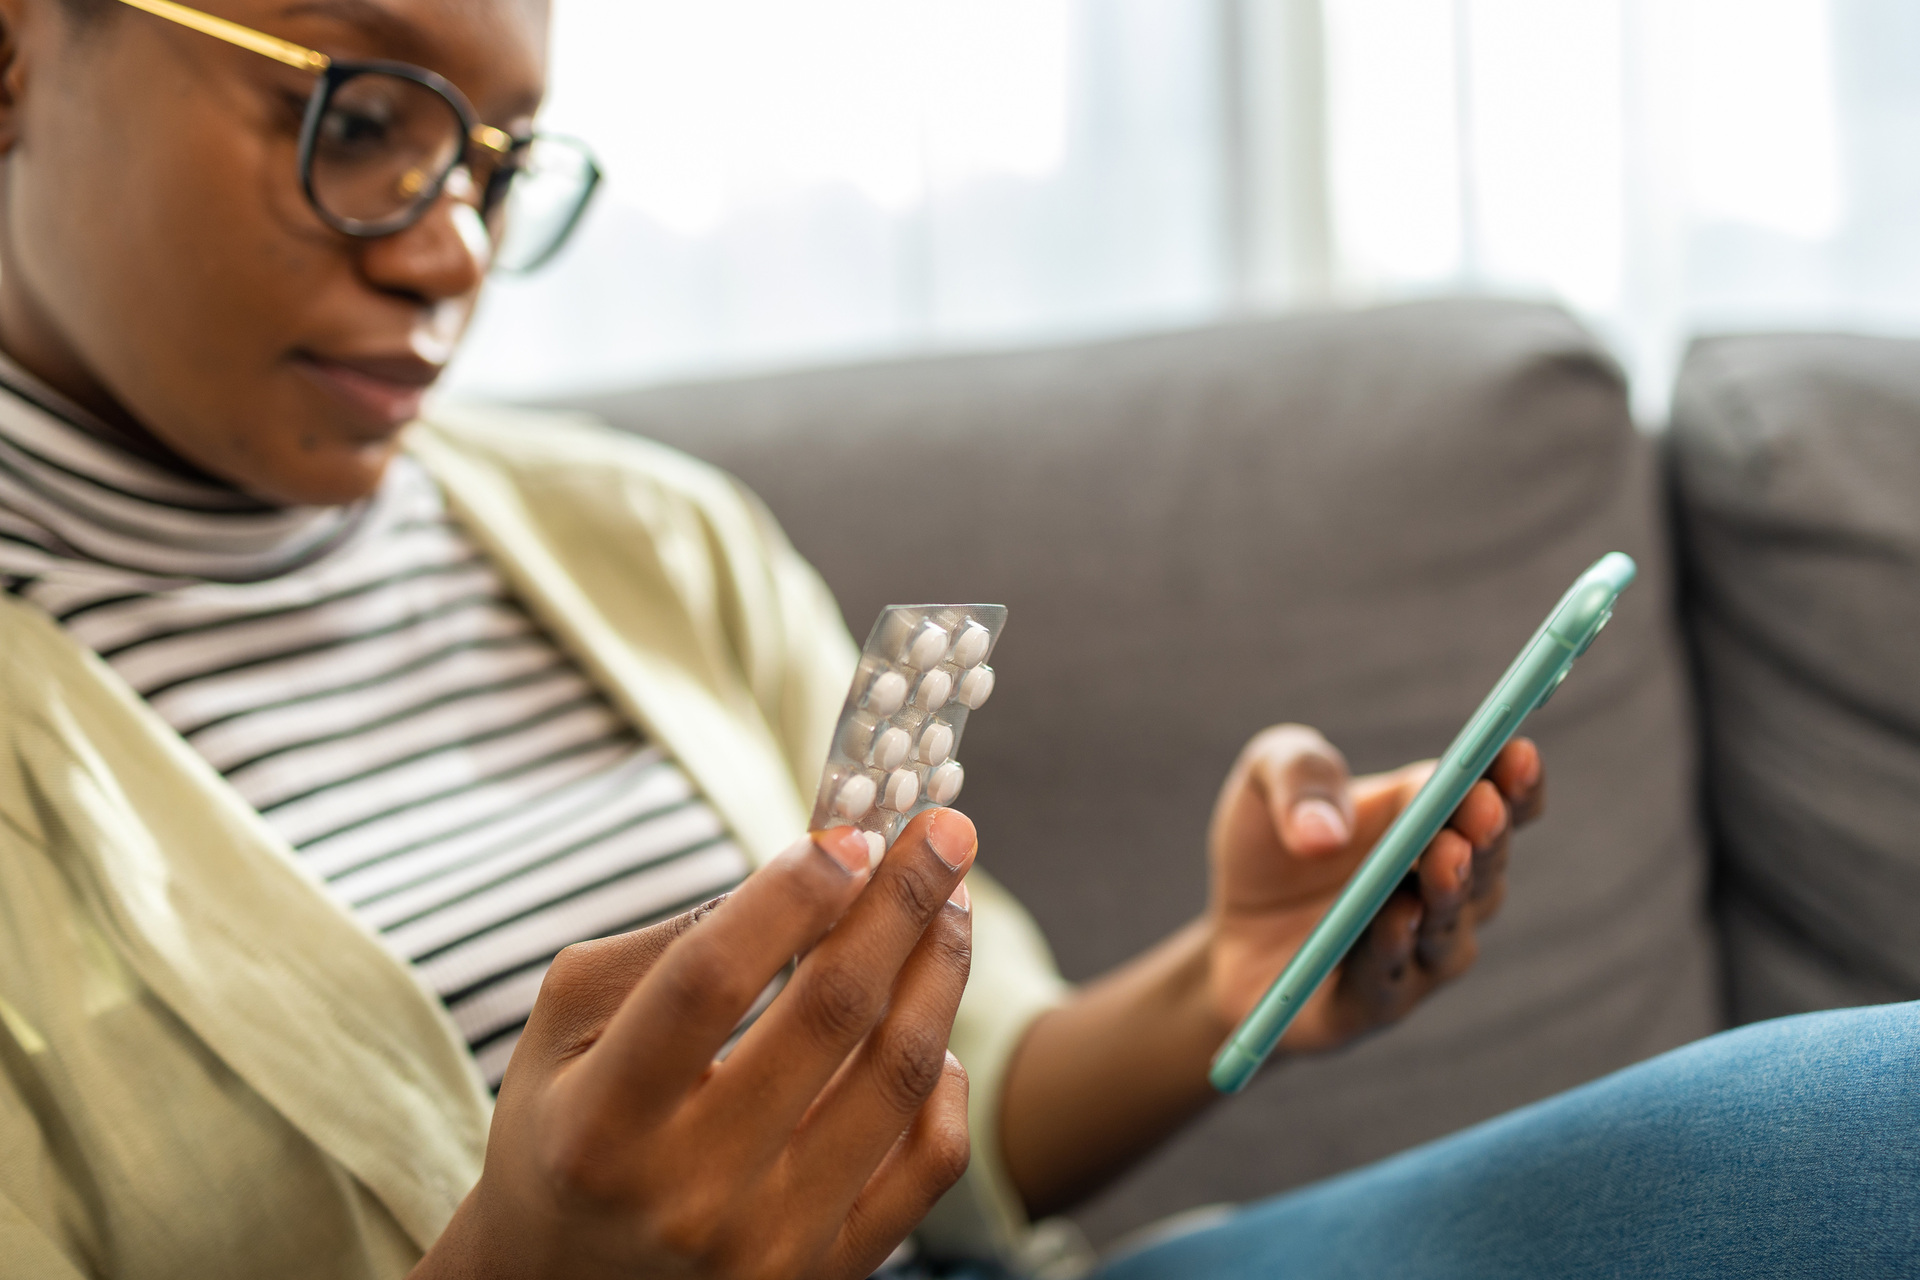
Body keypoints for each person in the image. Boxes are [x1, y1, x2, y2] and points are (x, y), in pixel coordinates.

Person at [0, 2, 1909, 1279]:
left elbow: (971, 1116)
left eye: (495, 163)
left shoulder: (648, 539)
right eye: (361, 115)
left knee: (1868, 1126)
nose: (447, 254)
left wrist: (1231, 977)